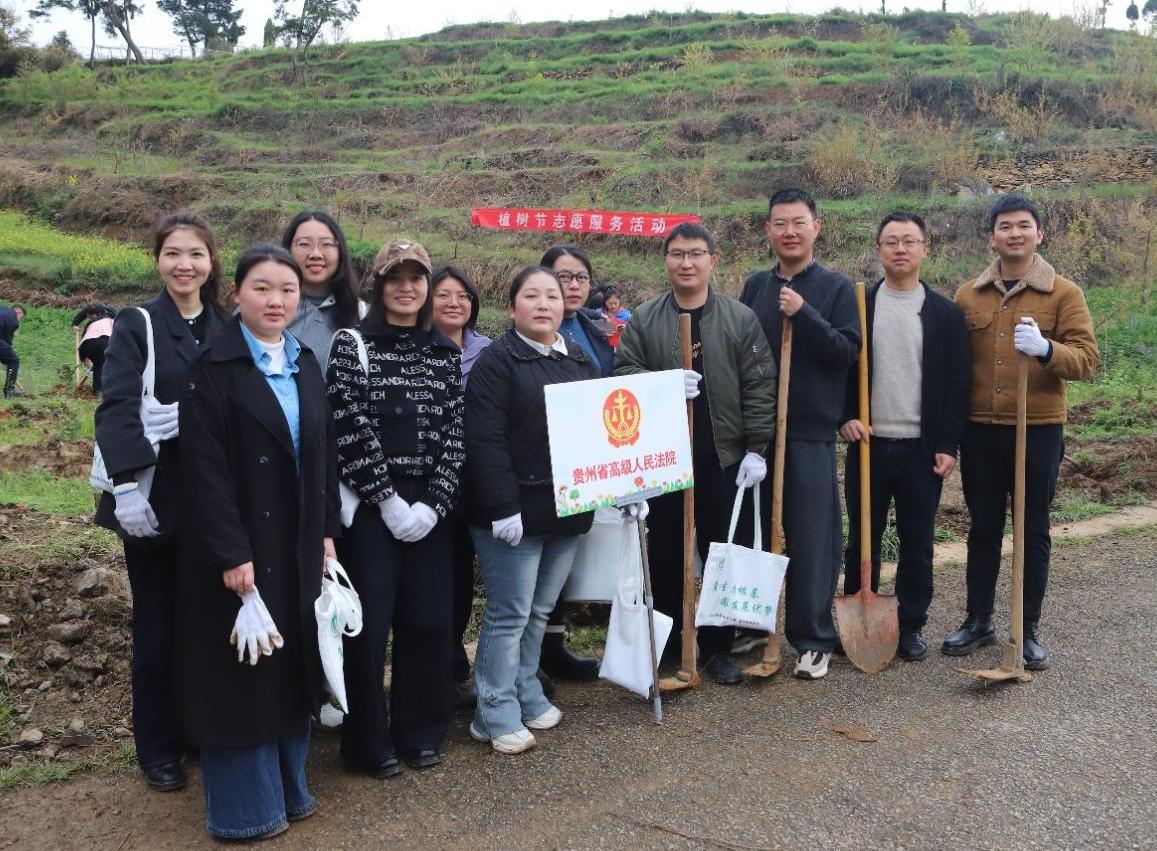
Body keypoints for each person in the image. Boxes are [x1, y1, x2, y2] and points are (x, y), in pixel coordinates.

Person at [176, 244, 337, 841]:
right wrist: (230, 552)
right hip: (242, 550)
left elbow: (323, 455)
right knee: (244, 674)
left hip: (296, 545)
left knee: (290, 664)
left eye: (287, 290)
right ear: (236, 294)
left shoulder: (304, 362)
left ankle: (291, 789)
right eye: (262, 288)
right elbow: (204, 471)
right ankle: (247, 811)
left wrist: (326, 531)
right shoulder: (212, 367)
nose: (276, 300)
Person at [93, 211, 227, 791]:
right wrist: (125, 485)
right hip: (153, 502)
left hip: (212, 503)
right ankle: (158, 745)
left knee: (205, 622)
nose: (184, 265)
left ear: (211, 262)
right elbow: (116, 405)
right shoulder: (139, 323)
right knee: (157, 625)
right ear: (158, 260)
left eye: (195, 254)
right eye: (173, 253)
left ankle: (198, 727)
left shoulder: (227, 326)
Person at [615, 222, 776, 685]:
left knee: (722, 552)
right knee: (667, 552)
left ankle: (717, 646)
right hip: (665, 460)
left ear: (712, 259)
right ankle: (670, 641)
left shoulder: (738, 318)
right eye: (678, 254)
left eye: (696, 254)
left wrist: (757, 449)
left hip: (724, 459)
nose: (687, 263)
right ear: (666, 260)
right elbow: (622, 373)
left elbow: (759, 385)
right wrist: (663, 384)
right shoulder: (645, 319)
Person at [327, 238, 465, 777]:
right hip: (371, 509)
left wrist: (432, 505)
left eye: (416, 278)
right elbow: (349, 423)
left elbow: (455, 433)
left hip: (431, 509)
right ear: (379, 284)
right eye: (395, 278)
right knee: (368, 627)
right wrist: (386, 501)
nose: (406, 288)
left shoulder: (444, 351)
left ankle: (419, 731)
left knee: (428, 622)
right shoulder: (352, 344)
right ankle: (366, 742)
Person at [943, 195, 1098, 670]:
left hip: (1038, 429)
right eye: (1005, 226)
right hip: (981, 430)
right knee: (983, 528)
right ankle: (979, 620)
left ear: (1039, 234)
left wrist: (1047, 349)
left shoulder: (1063, 294)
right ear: (992, 237)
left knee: (1032, 529)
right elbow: (955, 367)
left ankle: (1026, 627)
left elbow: (1087, 360)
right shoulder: (968, 295)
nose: (1015, 233)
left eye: (1024, 225)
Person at [465, 266, 599, 753]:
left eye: (552, 296)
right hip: (513, 514)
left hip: (566, 509)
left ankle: (524, 689)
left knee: (539, 611)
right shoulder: (497, 362)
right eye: (531, 296)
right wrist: (503, 506)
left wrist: (618, 491)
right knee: (509, 613)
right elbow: (485, 439)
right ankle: (493, 710)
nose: (544, 304)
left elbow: (597, 433)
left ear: (565, 306)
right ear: (512, 307)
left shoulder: (579, 359)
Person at [739, 188, 861, 681]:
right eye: (780, 223)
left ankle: (812, 638)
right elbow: (740, 349)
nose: (789, 232)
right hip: (756, 433)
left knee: (812, 538)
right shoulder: (755, 287)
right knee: (753, 534)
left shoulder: (836, 288)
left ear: (816, 227)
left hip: (810, 432)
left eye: (798, 222)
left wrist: (804, 313)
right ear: (767, 230)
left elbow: (846, 352)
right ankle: (751, 626)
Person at [837, 212, 970, 662]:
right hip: (868, 446)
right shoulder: (860, 306)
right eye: (891, 241)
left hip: (921, 450)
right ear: (878, 251)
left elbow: (957, 383)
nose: (900, 248)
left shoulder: (944, 313)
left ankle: (911, 624)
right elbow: (841, 369)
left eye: (909, 241)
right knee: (862, 538)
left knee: (917, 542)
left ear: (924, 249)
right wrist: (845, 417)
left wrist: (947, 444)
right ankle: (861, 613)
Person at [536, 245, 614, 683]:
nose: (572, 285)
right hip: (543, 462)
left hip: (587, 460)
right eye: (563, 277)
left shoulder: (594, 331)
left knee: (567, 557)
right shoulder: (533, 330)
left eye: (581, 277)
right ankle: (531, 655)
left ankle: (553, 646)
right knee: (541, 557)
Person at [429, 265, 492, 709]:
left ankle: (455, 665)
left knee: (461, 579)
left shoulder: (489, 352)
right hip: (429, 487)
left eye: (463, 296)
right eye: (444, 295)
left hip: (477, 484)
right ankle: (433, 669)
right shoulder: (414, 348)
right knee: (435, 578)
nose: (454, 303)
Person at [281, 210, 362, 372]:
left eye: (327, 244)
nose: (316, 254)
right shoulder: (268, 309)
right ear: (287, 250)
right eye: (304, 244)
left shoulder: (361, 312)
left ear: (340, 251)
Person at [72, 304, 116, 394]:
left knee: (98, 365)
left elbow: (85, 339)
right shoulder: (109, 319)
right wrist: (75, 324)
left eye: (90, 316)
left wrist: (85, 356)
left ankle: (98, 390)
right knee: (104, 364)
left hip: (89, 344)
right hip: (103, 343)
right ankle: (104, 389)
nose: (88, 317)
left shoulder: (94, 323)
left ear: (96, 315)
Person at [0, 303, 26, 398]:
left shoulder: (2, 309)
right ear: (18, 312)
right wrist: (6, 361)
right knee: (13, 360)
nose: (19, 321)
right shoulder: (12, 318)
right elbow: (7, 342)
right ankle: (9, 391)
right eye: (21, 318)